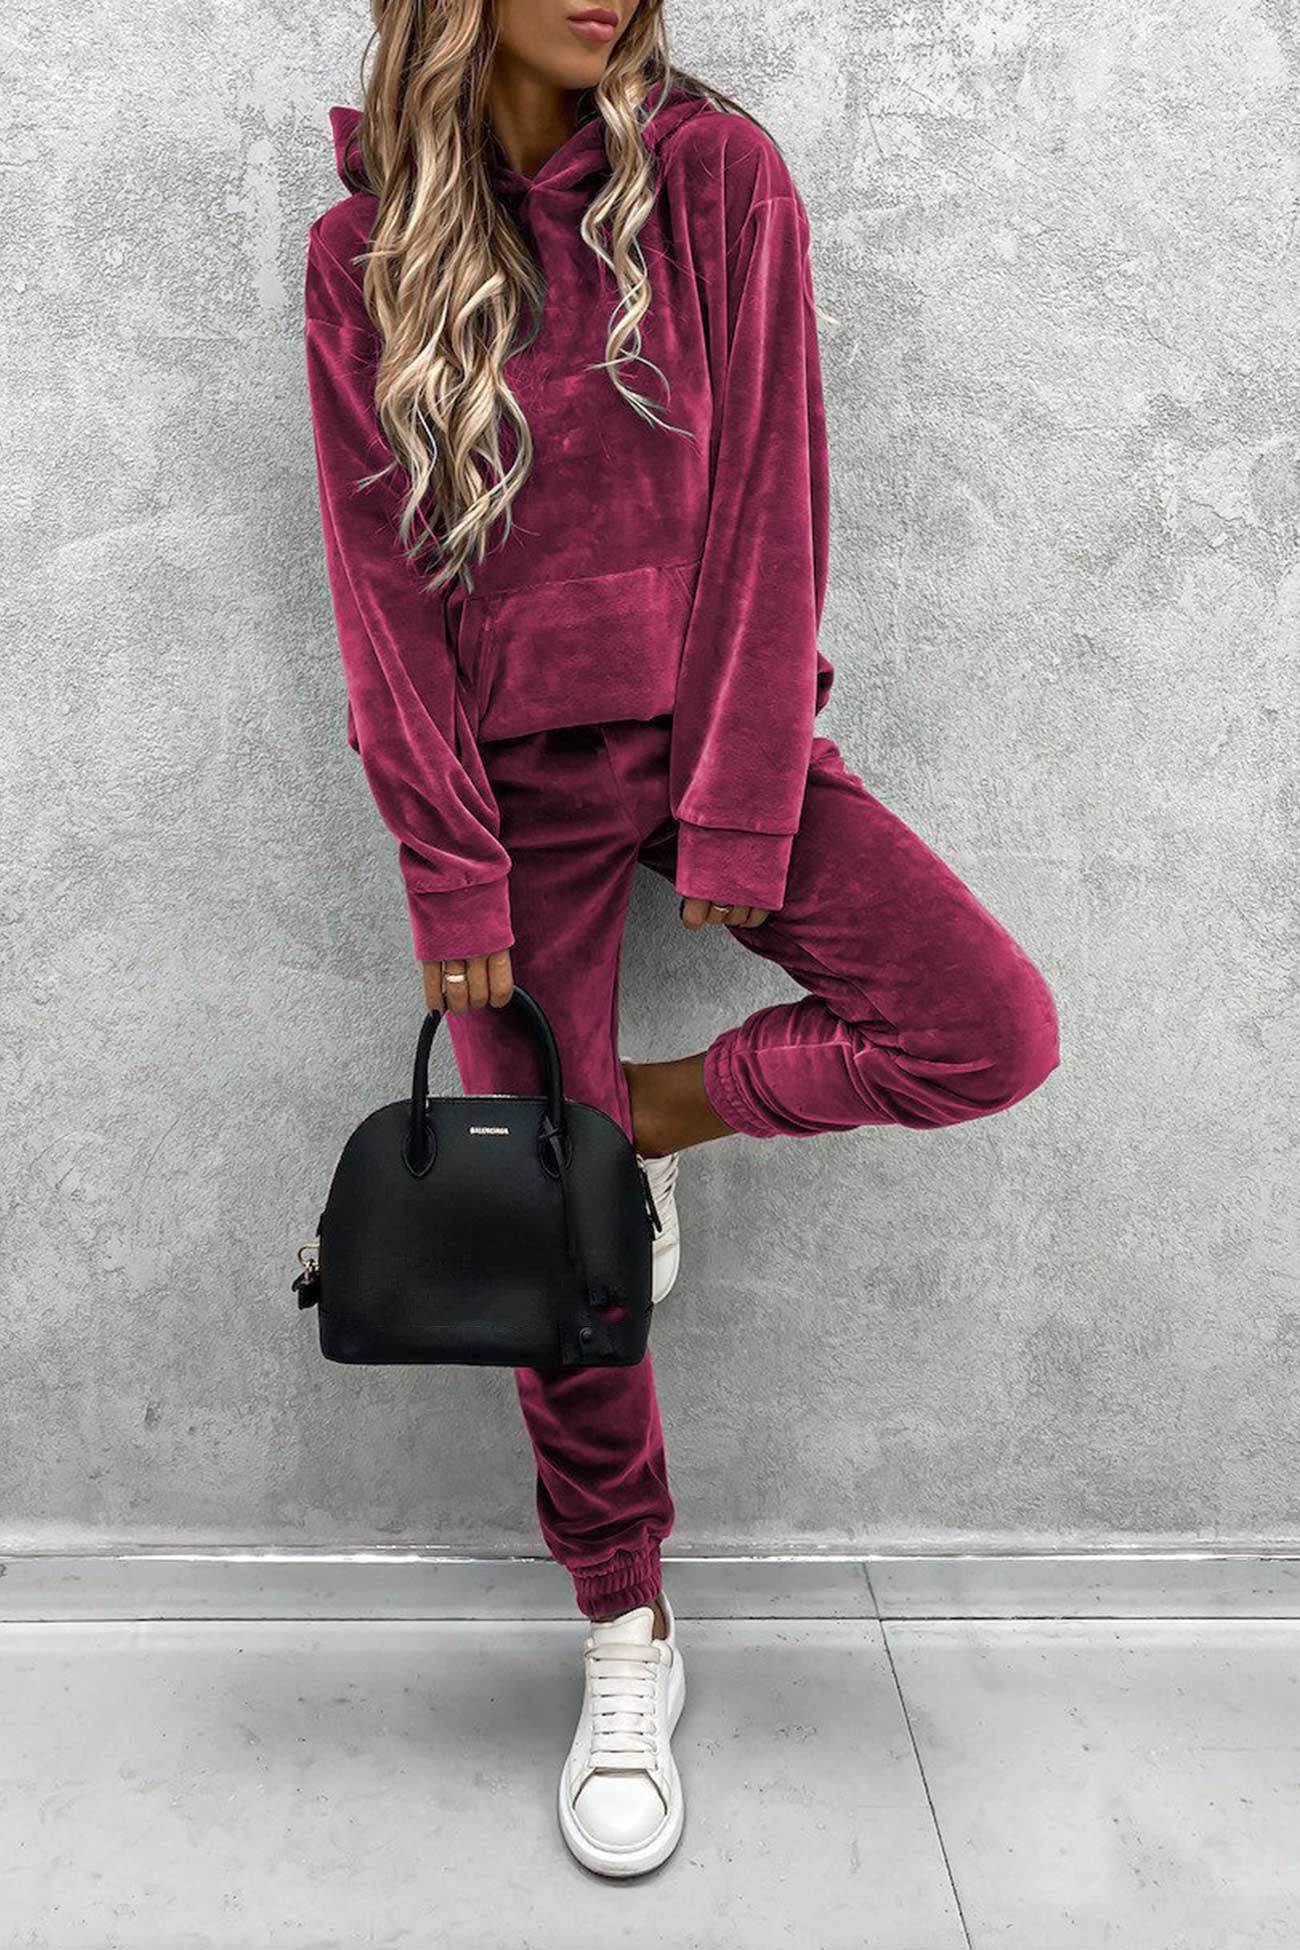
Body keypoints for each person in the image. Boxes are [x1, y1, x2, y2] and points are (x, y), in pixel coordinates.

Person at [303, 0, 1060, 1881]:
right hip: (507, 795)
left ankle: (632, 1123)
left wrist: (734, 803)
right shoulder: (362, 247)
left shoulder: (718, 178)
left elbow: (769, 509)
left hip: (719, 737)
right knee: (551, 1249)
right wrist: (449, 872)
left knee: (986, 1025)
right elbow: (380, 592)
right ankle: (626, 1616)